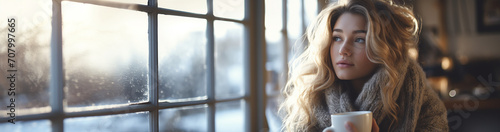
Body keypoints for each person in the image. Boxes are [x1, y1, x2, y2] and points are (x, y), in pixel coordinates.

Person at [279, 0, 449, 131]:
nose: (343, 50)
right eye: (337, 38)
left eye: (360, 39)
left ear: (385, 49)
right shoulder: (310, 102)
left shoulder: (424, 107)